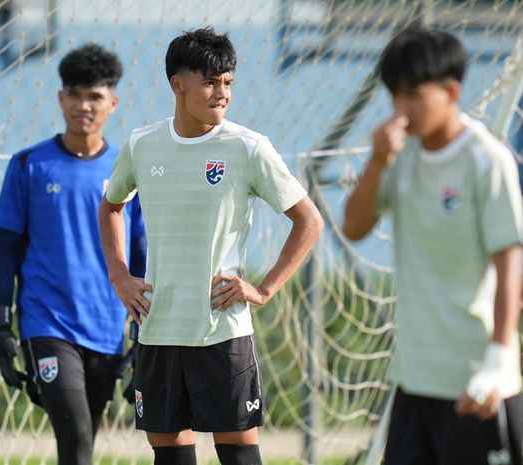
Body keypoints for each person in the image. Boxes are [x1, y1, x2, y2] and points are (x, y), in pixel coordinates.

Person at [99, 27, 323, 465]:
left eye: (228, 83)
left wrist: (264, 288)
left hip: (222, 328)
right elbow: (111, 206)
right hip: (159, 328)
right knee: (171, 455)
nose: (221, 93)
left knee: (239, 455)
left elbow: (308, 221)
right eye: (209, 81)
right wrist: (120, 276)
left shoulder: (248, 147)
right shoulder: (142, 145)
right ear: (177, 84)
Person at [342, 27, 523, 465]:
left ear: (452, 91)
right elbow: (354, 227)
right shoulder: (400, 155)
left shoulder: (486, 159)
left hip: (475, 385)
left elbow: (510, 260)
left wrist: (500, 356)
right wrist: (377, 160)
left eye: (413, 96)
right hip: (413, 383)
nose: (401, 110)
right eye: (394, 97)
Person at [0, 43, 146, 465]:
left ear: (112, 102)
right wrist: (2, 327)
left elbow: (142, 256)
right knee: (76, 436)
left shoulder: (128, 171)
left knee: (80, 446)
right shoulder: (28, 166)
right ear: (61, 98)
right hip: (48, 325)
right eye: (74, 94)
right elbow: (6, 253)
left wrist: (143, 335)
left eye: (94, 96)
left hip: (106, 328)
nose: (83, 105)